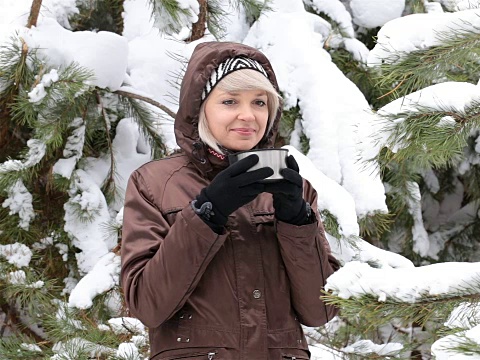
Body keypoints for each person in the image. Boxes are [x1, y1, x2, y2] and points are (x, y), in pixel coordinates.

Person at [120, 42, 340, 360]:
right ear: (200, 108)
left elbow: (320, 310)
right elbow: (147, 305)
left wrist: (296, 219)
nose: (248, 115)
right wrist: (208, 212)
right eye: (229, 101)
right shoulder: (155, 184)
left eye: (260, 102)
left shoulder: (295, 187)